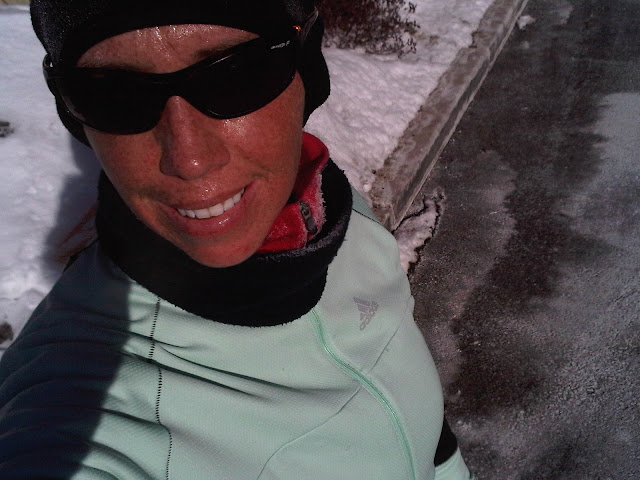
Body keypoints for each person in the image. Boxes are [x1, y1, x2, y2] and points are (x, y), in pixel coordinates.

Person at [0, 0, 473, 478]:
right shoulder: (78, 412)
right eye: (114, 94)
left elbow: (421, 425)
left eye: (235, 74)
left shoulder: (334, 212)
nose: (190, 160)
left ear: (305, 69)